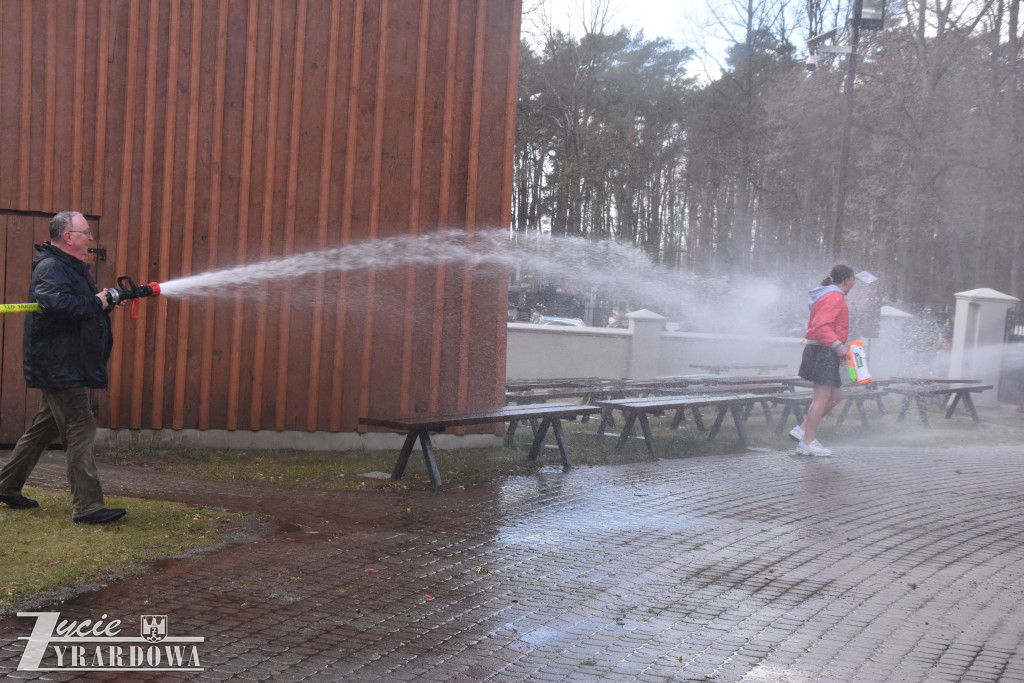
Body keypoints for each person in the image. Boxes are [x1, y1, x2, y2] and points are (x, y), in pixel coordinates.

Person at [0, 211, 126, 524]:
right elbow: (58, 305)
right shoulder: (52, 267)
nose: (91, 239)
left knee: (45, 426)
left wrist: (104, 301)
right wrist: (97, 301)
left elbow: (80, 307)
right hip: (60, 364)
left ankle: (5, 485)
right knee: (81, 426)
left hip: (65, 360)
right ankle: (88, 507)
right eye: (86, 232)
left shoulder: (70, 267)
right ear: (68, 236)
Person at [790, 265, 856, 457]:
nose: (853, 284)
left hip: (824, 350)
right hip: (823, 351)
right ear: (846, 280)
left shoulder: (830, 295)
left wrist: (838, 348)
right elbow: (821, 327)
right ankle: (807, 442)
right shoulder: (834, 297)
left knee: (837, 396)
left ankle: (803, 430)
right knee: (822, 398)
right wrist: (839, 347)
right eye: (853, 280)